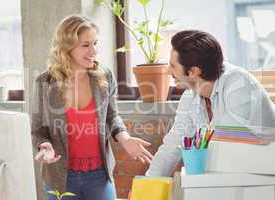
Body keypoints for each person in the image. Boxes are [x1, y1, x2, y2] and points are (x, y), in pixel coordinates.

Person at [31, 15, 153, 200]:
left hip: (99, 176)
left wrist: (125, 139)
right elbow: (37, 130)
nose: (93, 51)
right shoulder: (45, 83)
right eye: (85, 45)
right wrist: (43, 146)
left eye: (95, 43)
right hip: (61, 177)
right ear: (66, 47)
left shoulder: (103, 77)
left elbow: (112, 117)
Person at [146, 30, 275, 177]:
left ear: (194, 71)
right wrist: (147, 184)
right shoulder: (191, 95)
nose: (168, 71)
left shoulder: (239, 86)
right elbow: (172, 145)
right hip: (233, 175)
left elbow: (225, 147)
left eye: (173, 66)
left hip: (264, 176)